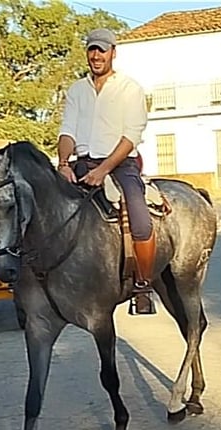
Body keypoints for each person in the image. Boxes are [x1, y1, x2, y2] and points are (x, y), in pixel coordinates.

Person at [57, 28, 156, 314]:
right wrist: (63, 164)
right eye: (92, 50)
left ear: (113, 52)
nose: (96, 55)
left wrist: (103, 170)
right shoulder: (77, 90)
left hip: (120, 163)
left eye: (102, 50)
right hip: (81, 162)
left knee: (139, 219)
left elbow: (131, 136)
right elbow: (67, 132)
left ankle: (143, 285)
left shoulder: (129, 89)